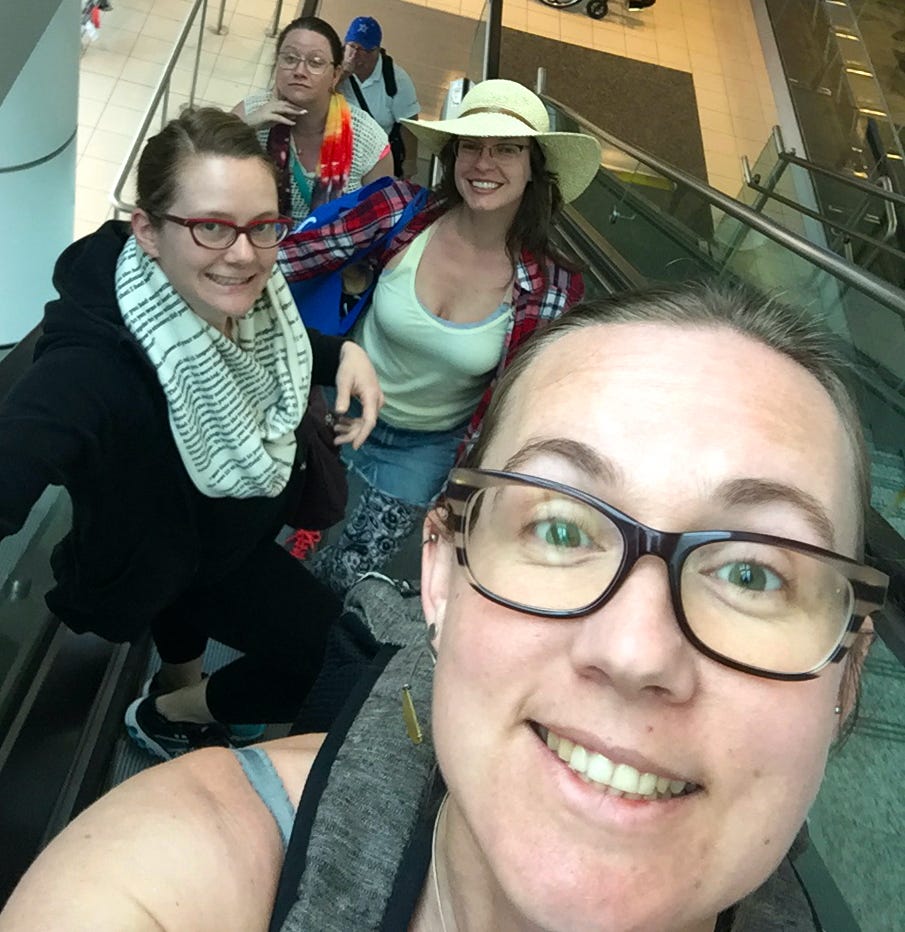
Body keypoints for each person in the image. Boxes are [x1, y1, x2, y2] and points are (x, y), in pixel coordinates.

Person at [0, 280, 888, 931]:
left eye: (751, 574)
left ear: (846, 673)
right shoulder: (174, 881)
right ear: (440, 574)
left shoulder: (545, 284)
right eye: (560, 528)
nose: (635, 650)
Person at [0, 107, 384, 759]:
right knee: (341, 661)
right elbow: (23, 447)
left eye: (263, 227)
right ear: (147, 231)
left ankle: (182, 679)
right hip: (192, 560)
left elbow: (271, 329)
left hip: (223, 530)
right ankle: (171, 712)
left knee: (183, 626)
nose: (242, 254)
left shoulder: (224, 291)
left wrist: (341, 353)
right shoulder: (96, 371)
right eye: (210, 226)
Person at [280, 78, 602, 596]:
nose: (484, 163)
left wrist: (464, 494)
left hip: (425, 447)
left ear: (533, 168)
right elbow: (294, 257)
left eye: (507, 150)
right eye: (471, 146)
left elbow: (517, 404)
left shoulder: (551, 287)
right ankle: (307, 529)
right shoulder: (398, 211)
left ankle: (297, 633)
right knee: (294, 502)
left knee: (348, 570)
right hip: (339, 402)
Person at [233, 16, 395, 223]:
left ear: (335, 75)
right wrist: (245, 127)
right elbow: (201, 171)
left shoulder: (368, 139)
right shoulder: (250, 112)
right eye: (290, 59)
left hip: (331, 252)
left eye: (315, 62)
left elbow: (380, 222)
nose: (300, 71)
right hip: (251, 243)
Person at [338, 16, 421, 179]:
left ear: (377, 51)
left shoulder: (397, 81)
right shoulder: (333, 67)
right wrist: (343, 73)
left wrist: (409, 163)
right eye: (352, 47)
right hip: (335, 150)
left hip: (374, 158)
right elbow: (319, 94)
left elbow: (409, 124)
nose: (355, 56)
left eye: (365, 51)